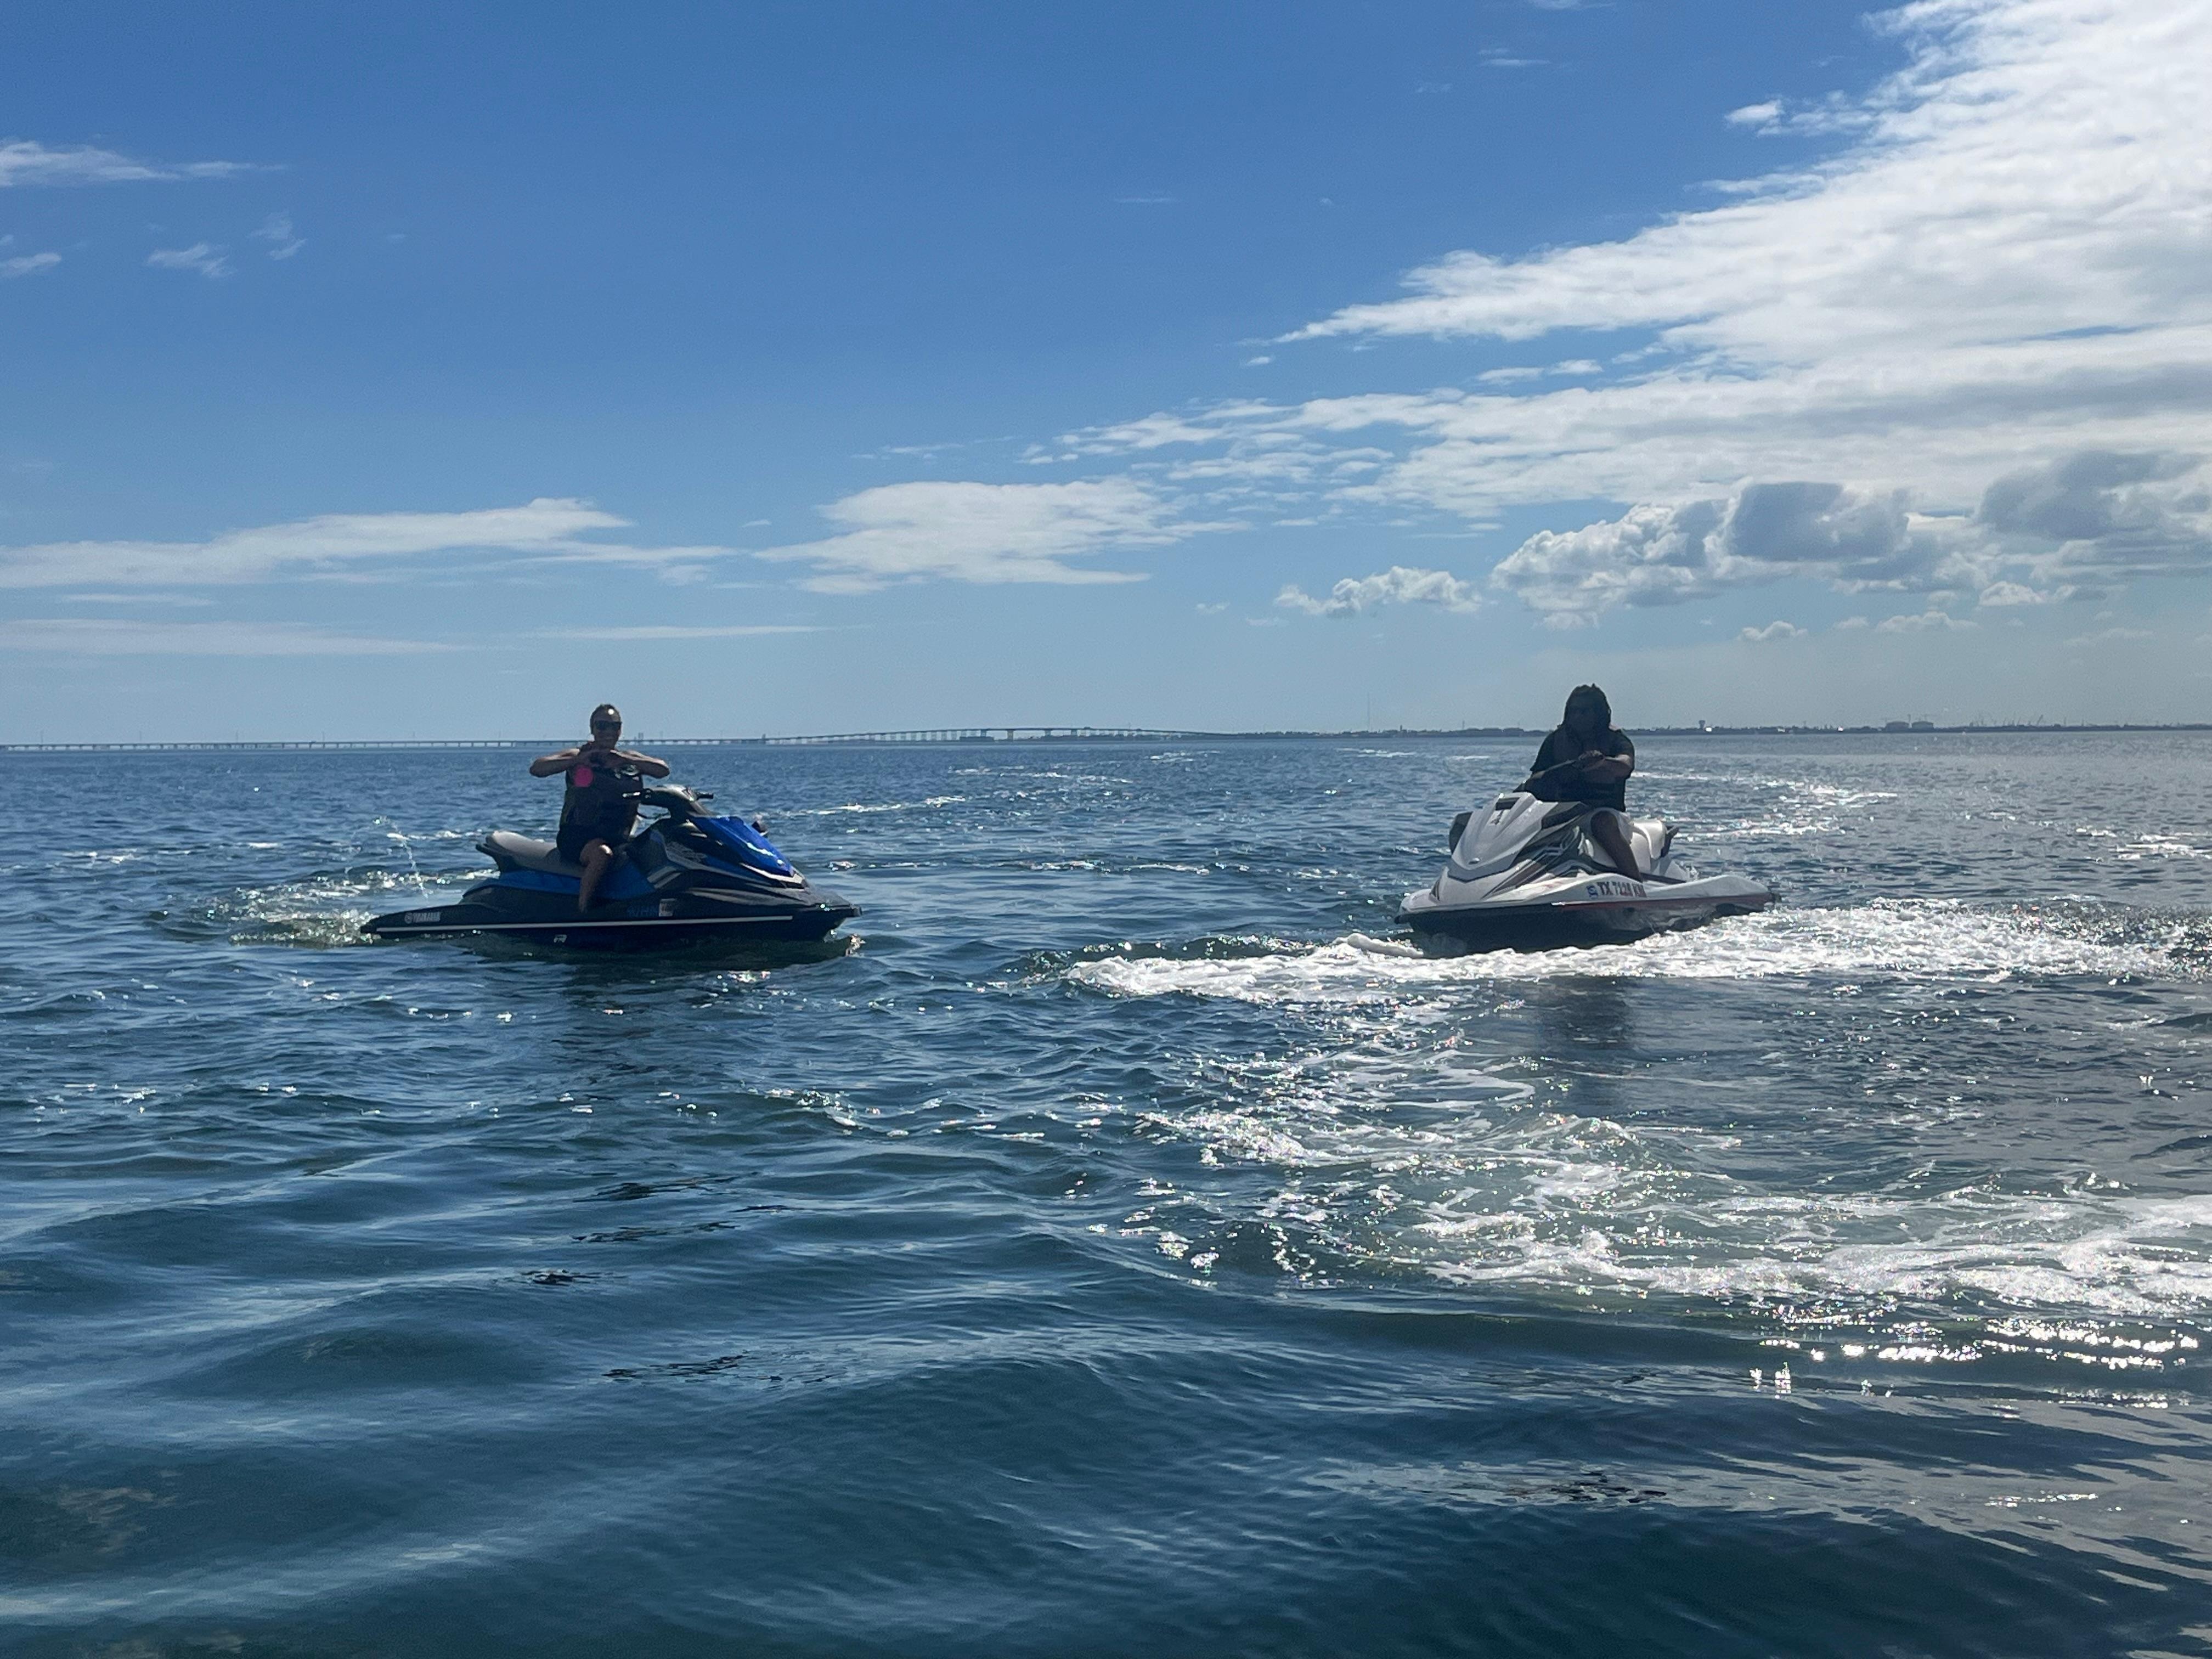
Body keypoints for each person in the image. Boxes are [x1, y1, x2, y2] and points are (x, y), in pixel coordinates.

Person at [529, 704, 670, 912]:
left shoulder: (628, 759)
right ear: (593, 728)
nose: (608, 731)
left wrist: (626, 759)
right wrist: (578, 760)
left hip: (617, 836)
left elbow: (663, 770)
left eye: (615, 726)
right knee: (602, 855)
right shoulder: (579, 755)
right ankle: (584, 910)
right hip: (579, 837)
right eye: (602, 726)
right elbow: (538, 768)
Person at [1522, 684, 1643, 878]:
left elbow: (1626, 764)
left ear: (1599, 713)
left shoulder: (1615, 740)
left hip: (1605, 812)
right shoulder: (1555, 741)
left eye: (1584, 711)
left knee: (1602, 823)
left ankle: (1635, 881)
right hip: (1564, 812)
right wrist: (1567, 769)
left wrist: (1603, 762)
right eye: (1574, 711)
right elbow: (1535, 779)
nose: (1578, 716)